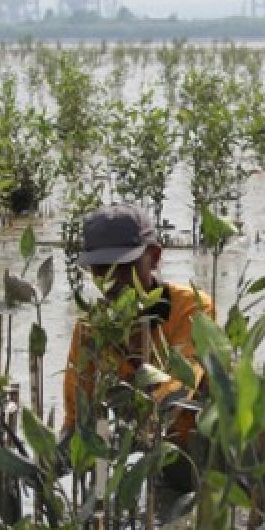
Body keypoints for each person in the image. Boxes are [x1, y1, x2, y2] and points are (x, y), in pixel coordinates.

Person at [62, 204, 214, 488]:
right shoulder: (89, 329)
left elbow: (180, 387)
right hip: (139, 454)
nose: (113, 281)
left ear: (154, 257)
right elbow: (77, 420)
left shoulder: (191, 307)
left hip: (197, 454)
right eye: (101, 270)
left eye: (125, 267)